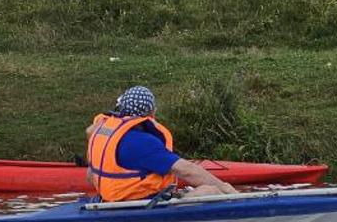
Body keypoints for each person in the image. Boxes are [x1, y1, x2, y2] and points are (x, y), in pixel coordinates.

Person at [86, 85, 237, 202]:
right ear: (152, 113)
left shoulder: (101, 130)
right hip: (137, 206)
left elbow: (89, 176)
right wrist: (224, 187)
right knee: (211, 191)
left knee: (187, 191)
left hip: (108, 200)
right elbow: (186, 170)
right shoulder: (141, 142)